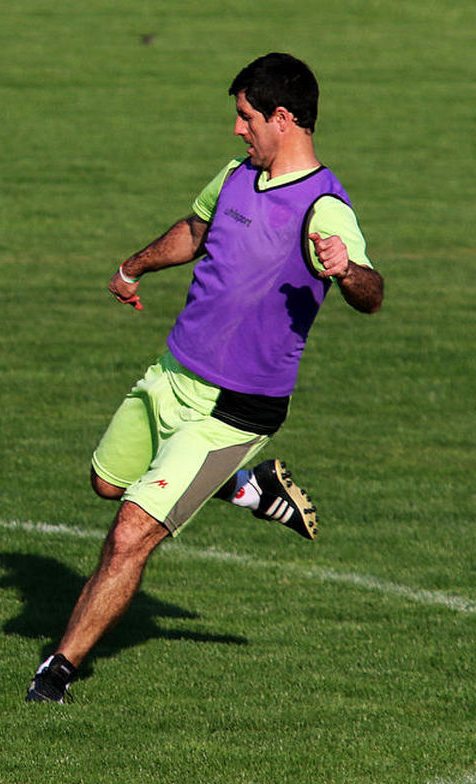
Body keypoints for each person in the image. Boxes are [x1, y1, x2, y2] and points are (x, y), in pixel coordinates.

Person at [26, 53, 384, 703]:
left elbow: (372, 292)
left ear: (283, 118)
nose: (237, 129)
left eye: (246, 117)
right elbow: (196, 230)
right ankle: (246, 487)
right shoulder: (238, 176)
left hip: (234, 410)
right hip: (172, 376)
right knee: (107, 483)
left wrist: (346, 271)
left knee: (130, 533)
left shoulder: (325, 209)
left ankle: (58, 670)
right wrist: (133, 266)